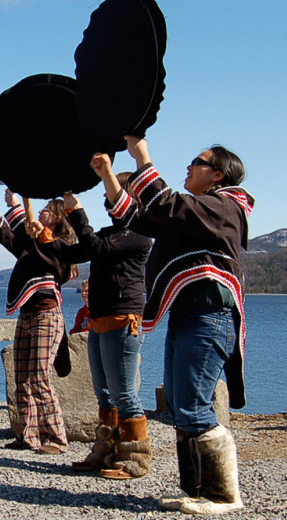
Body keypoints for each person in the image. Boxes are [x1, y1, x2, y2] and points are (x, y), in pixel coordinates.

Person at [93, 136, 252, 514]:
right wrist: (107, 175)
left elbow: (166, 204)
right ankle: (197, 491)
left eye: (197, 162)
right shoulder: (194, 216)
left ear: (217, 175)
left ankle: (223, 495)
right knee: (181, 406)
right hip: (188, 318)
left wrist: (143, 157)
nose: (189, 166)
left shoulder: (225, 207)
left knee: (194, 406)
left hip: (211, 317)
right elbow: (139, 218)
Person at [0, 187, 83, 454]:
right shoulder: (33, 245)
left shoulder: (61, 247)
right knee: (22, 376)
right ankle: (28, 435)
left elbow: (44, 248)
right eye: (42, 208)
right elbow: (7, 236)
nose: (43, 211)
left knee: (39, 376)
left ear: (57, 219)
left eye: (47, 210)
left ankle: (56, 438)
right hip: (27, 314)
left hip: (47, 315)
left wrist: (19, 210)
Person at [64, 182, 152, 480]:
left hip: (123, 318)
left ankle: (136, 459)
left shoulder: (139, 236)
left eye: (111, 194)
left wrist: (76, 212)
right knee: (104, 393)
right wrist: (41, 237)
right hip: (101, 320)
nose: (105, 197)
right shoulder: (109, 234)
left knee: (124, 394)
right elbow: (78, 250)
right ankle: (106, 451)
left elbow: (95, 248)